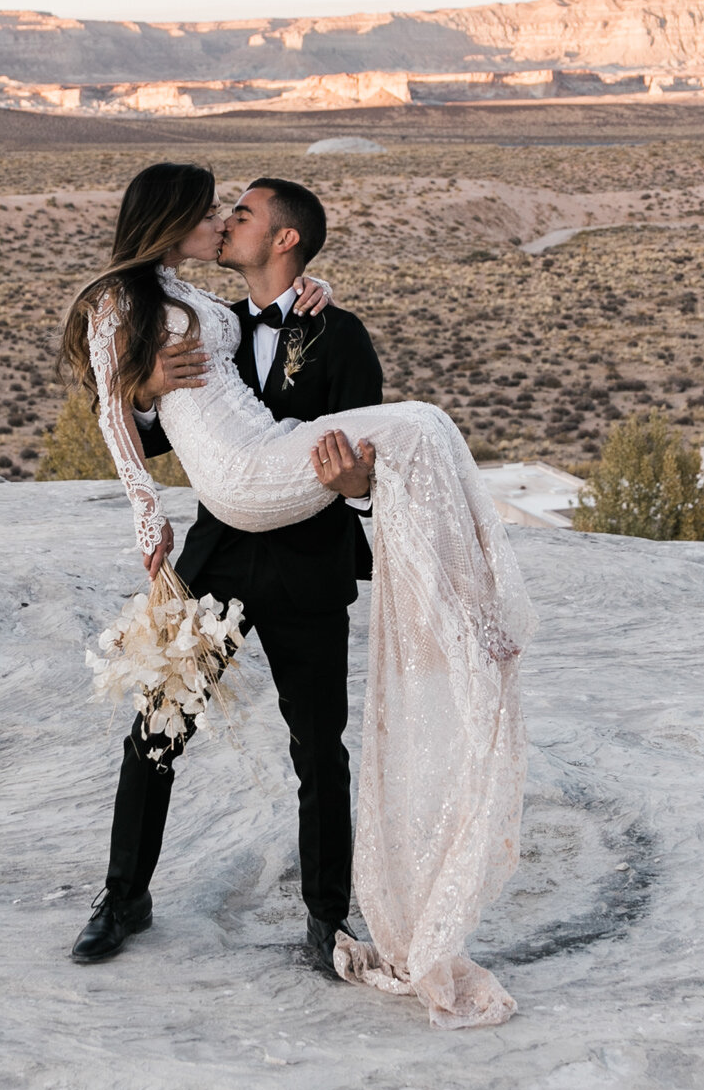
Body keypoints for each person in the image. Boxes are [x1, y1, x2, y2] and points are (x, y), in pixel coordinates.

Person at [60, 162, 535, 1030]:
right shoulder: (220, 321)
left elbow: (361, 468)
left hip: (308, 564)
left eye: (243, 214)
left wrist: (355, 486)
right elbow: (174, 431)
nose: (227, 222)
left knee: (321, 748)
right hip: (220, 554)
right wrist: (146, 389)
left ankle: (326, 918)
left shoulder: (341, 333)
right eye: (220, 214)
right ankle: (123, 897)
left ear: (284, 241)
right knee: (159, 726)